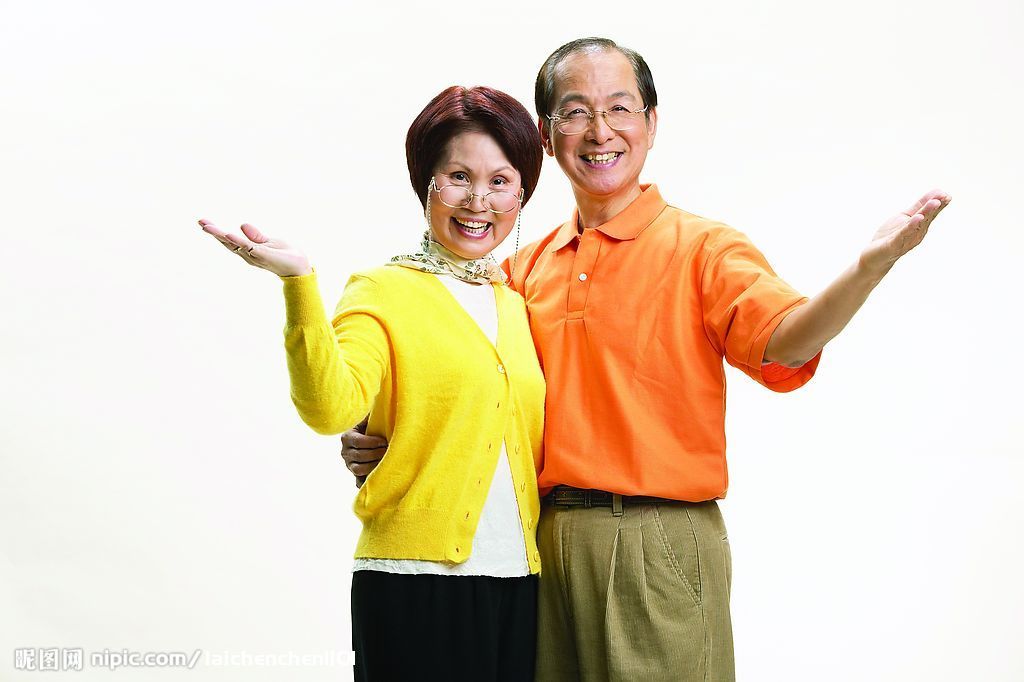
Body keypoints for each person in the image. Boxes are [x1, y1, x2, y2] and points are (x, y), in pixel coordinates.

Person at [340, 38, 952, 682]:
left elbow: (789, 340)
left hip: (657, 538)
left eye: (619, 108)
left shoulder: (703, 248)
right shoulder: (521, 272)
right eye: (576, 111)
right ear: (546, 137)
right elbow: (465, 383)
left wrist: (867, 269)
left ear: (651, 124)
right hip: (540, 544)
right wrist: (379, 432)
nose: (599, 131)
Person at [198, 85, 546, 682]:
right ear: (426, 183)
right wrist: (299, 283)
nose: (478, 201)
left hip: (519, 579)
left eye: (499, 181)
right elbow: (331, 408)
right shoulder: (383, 289)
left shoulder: (515, 303)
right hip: (415, 581)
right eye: (458, 177)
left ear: (522, 192)